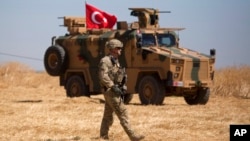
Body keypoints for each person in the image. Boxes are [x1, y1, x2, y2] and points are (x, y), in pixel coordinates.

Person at [98, 39, 145, 141]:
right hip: (110, 91)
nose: (120, 50)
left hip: (114, 91)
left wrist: (122, 87)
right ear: (113, 49)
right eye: (118, 48)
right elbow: (103, 76)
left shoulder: (115, 61)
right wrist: (113, 86)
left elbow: (118, 76)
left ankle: (103, 136)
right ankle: (132, 136)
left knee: (108, 115)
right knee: (123, 112)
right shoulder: (105, 61)